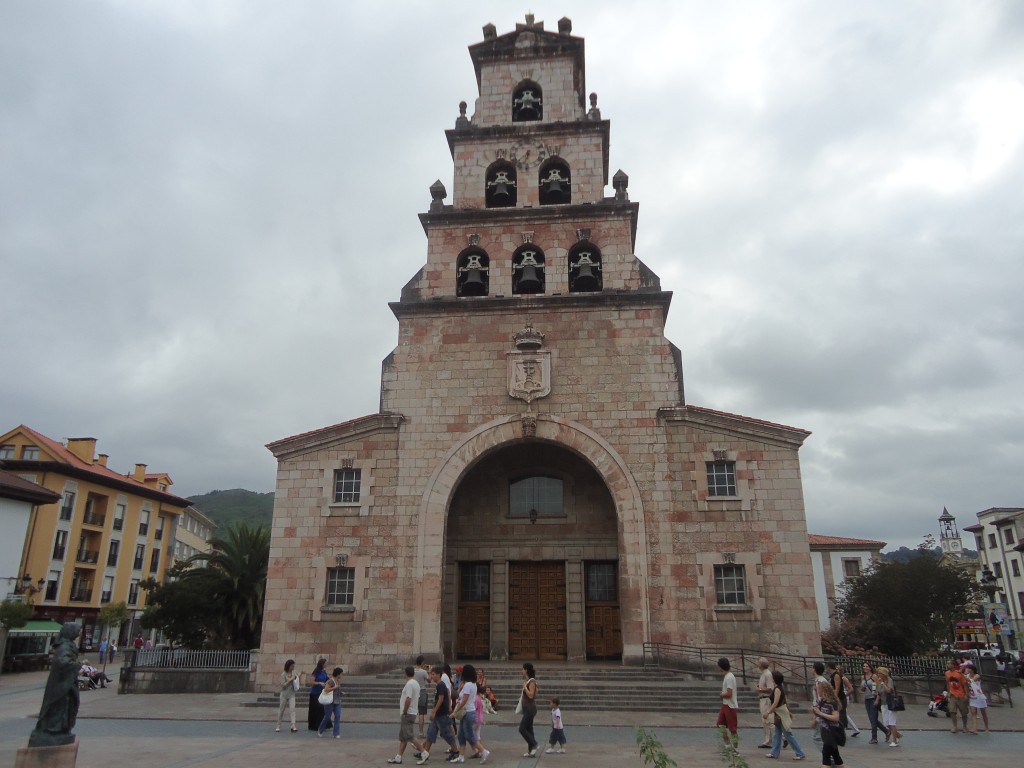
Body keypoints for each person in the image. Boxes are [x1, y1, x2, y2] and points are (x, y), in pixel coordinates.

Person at [29, 622, 81, 747]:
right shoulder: (64, 647)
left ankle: (58, 729)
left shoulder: (68, 645)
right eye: (77, 631)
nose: (78, 634)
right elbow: (62, 663)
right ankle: (50, 729)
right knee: (58, 707)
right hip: (60, 684)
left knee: (63, 707)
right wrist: (77, 666)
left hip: (64, 683)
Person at [417, 666, 457, 765]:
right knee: (431, 733)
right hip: (438, 714)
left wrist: (434, 711)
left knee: (445, 733)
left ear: (438, 675)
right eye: (431, 674)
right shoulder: (440, 685)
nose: (431, 676)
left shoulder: (440, 685)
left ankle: (455, 751)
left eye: (433, 674)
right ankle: (425, 752)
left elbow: (441, 698)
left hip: (441, 714)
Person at [763, 670, 806, 761]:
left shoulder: (777, 689)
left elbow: (775, 703)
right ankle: (774, 752)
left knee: (787, 734)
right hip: (780, 713)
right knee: (777, 734)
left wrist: (768, 712)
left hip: (780, 713)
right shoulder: (779, 687)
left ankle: (800, 752)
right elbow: (784, 701)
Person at [450, 664, 488, 763]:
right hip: (469, 711)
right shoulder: (473, 684)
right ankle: (461, 756)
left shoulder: (467, 685)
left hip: (467, 712)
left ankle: (483, 751)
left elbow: (464, 700)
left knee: (469, 736)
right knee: (461, 735)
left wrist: (455, 711)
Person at [388, 666, 425, 763]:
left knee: (409, 736)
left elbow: (408, 699)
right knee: (403, 737)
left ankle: (424, 752)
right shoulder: (416, 683)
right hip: (412, 712)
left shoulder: (409, 684)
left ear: (405, 673)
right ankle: (398, 757)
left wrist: (405, 711)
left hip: (408, 713)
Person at [812, 680, 844, 767]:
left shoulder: (832, 703)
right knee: (836, 756)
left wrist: (821, 713)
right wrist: (815, 716)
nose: (817, 691)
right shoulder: (822, 701)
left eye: (818, 689)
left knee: (826, 756)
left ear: (823, 690)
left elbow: (836, 718)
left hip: (832, 732)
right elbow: (819, 713)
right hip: (825, 732)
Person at [859, 662, 889, 744]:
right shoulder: (863, 677)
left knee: (873, 718)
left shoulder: (874, 676)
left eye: (866, 666)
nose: (865, 668)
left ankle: (874, 737)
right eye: (864, 666)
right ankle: (886, 731)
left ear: (870, 667)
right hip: (867, 699)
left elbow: (879, 689)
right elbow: (861, 689)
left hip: (873, 698)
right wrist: (862, 688)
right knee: (872, 719)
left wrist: (877, 700)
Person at [875, 666, 901, 747]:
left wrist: (883, 683)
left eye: (880, 673)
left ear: (884, 674)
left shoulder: (889, 680)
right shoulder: (879, 681)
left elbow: (889, 690)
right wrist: (876, 699)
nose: (878, 675)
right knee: (886, 723)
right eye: (878, 673)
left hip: (891, 704)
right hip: (883, 704)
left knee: (892, 723)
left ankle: (895, 741)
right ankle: (897, 734)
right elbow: (879, 692)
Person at [715, 657, 738, 748]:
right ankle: (727, 745)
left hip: (730, 705)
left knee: (732, 729)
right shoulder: (728, 676)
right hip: (725, 705)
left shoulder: (729, 677)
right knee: (720, 725)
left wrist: (721, 694)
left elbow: (729, 693)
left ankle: (735, 749)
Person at [518, 662, 539, 757]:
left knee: (522, 728)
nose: (522, 671)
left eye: (523, 669)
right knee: (529, 729)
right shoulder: (529, 681)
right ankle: (531, 751)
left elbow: (531, 695)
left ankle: (534, 744)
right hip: (528, 708)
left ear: (526, 670)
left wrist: (524, 688)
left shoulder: (532, 682)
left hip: (530, 709)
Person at [945, 658, 970, 734]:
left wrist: (966, 694)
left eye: (950, 663)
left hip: (961, 695)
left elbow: (965, 684)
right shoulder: (947, 673)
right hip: (952, 695)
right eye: (947, 663)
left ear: (953, 665)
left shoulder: (959, 674)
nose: (948, 665)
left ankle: (965, 726)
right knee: (952, 711)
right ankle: (955, 726)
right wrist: (948, 693)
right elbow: (948, 683)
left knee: (964, 712)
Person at [755, 657, 776, 748]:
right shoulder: (763, 674)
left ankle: (779, 738)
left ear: (761, 665)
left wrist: (759, 689)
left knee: (768, 720)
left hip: (766, 699)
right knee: (765, 721)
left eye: (758, 662)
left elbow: (770, 688)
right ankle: (768, 740)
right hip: (763, 699)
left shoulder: (767, 674)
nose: (757, 664)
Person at [317, 666, 343, 738]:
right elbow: (326, 689)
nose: (342, 675)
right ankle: (320, 729)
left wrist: (341, 692)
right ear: (338, 674)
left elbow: (337, 690)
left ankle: (336, 733)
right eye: (341, 674)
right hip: (330, 701)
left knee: (337, 716)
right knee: (327, 716)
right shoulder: (330, 681)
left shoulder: (338, 681)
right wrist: (335, 687)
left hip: (337, 701)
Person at [965, 662, 990, 734]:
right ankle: (975, 728)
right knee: (973, 712)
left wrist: (964, 677)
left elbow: (971, 681)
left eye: (968, 668)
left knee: (983, 712)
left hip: (979, 696)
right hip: (972, 696)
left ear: (972, 669)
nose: (967, 670)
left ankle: (987, 728)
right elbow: (966, 685)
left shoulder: (977, 676)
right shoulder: (967, 676)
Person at [276, 659, 299, 733]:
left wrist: (296, 677)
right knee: (281, 709)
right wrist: (290, 680)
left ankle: (293, 725)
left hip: (292, 693)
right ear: (288, 666)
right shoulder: (283, 674)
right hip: (284, 694)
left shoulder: (294, 672)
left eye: (293, 666)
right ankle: (278, 725)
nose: (293, 667)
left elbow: (296, 677)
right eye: (292, 666)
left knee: (292, 709)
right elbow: (283, 686)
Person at [308, 658, 330, 731]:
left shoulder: (324, 671)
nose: (327, 664)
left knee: (322, 709)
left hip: (322, 692)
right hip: (315, 693)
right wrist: (319, 683)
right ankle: (315, 725)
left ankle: (323, 725)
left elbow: (327, 679)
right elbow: (312, 681)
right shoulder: (316, 671)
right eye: (326, 663)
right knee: (317, 710)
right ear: (322, 664)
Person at [810, 662, 827, 743]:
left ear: (814, 669)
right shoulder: (821, 680)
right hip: (820, 709)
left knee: (817, 737)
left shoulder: (819, 681)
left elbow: (819, 698)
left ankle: (827, 754)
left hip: (820, 709)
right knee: (819, 735)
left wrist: (815, 715)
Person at [415, 656, 430, 739]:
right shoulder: (423, 672)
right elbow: (429, 680)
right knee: (421, 713)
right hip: (422, 691)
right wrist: (429, 671)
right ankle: (421, 732)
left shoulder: (413, 671)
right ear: (421, 663)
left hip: (414, 692)